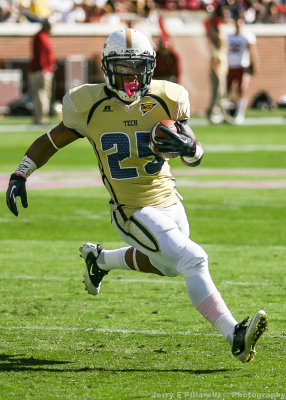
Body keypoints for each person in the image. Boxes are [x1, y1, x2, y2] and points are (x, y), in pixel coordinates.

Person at [6, 28, 268, 363]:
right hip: (131, 210)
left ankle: (100, 261)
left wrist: (190, 147)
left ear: (151, 66)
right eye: (123, 68)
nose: (131, 76)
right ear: (107, 67)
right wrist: (21, 172)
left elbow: (194, 155)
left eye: (138, 67)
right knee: (193, 259)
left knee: (170, 267)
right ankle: (234, 335)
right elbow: (52, 139)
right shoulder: (88, 103)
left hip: (168, 200)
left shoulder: (167, 97)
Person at [226, 11, 259, 124]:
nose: (238, 25)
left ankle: (240, 114)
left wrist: (254, 64)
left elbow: (253, 51)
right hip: (230, 66)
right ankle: (228, 113)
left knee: (242, 89)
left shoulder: (247, 36)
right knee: (228, 90)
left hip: (242, 66)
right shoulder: (229, 36)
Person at [204, 4, 229, 124]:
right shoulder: (216, 51)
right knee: (218, 92)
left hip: (223, 66)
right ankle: (212, 113)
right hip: (218, 69)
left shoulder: (221, 51)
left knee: (222, 92)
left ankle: (224, 114)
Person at [28, 18, 55, 125]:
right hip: (41, 70)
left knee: (43, 94)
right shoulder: (41, 37)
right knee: (41, 94)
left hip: (43, 69)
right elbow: (41, 55)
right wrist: (42, 69)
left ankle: (41, 118)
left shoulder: (43, 36)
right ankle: (41, 118)